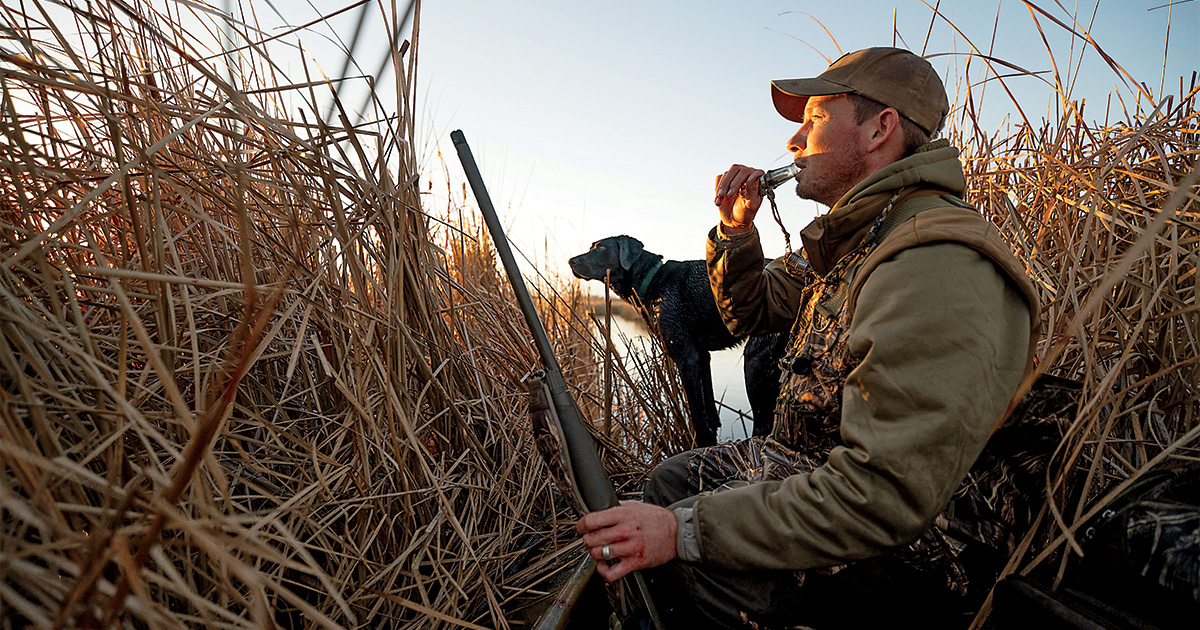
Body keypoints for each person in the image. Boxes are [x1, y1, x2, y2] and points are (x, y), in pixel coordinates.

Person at [577, 47, 1043, 629]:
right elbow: (749, 309)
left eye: (815, 119)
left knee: (683, 556)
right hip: (822, 470)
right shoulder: (858, 234)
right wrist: (736, 228)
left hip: (923, 551)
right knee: (671, 482)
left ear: (880, 129)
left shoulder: (932, 260)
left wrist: (685, 533)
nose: (794, 141)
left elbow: (882, 497)